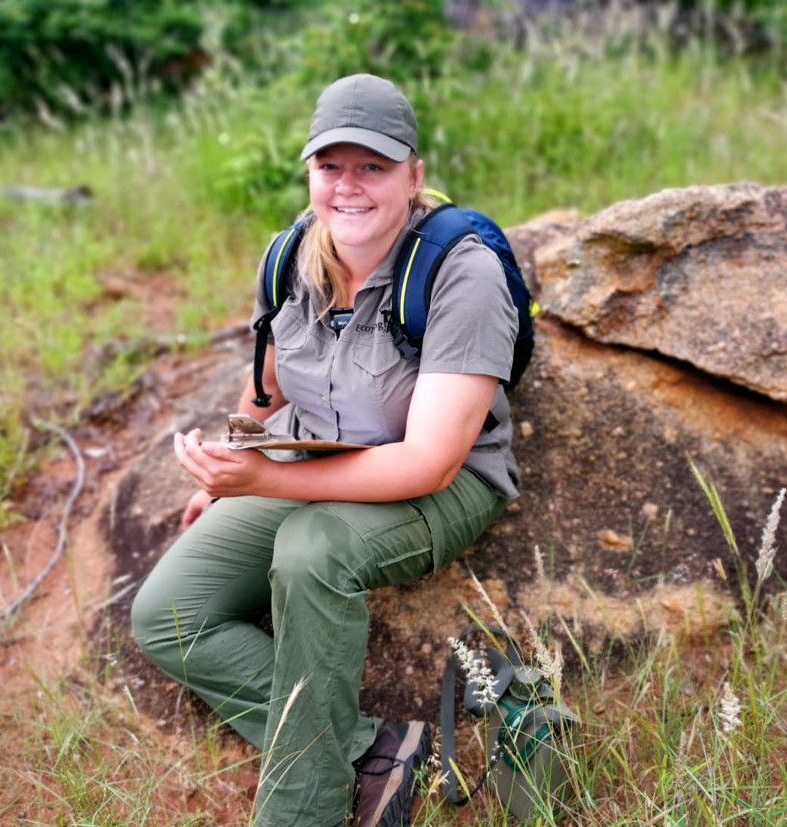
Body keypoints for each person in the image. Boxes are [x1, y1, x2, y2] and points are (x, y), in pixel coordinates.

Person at [131, 73, 519, 827]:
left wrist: (265, 482)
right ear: (309, 172)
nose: (348, 187)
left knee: (312, 550)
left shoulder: (459, 273)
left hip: (441, 484)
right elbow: (268, 390)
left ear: (413, 174)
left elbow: (429, 462)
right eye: (329, 166)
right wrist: (228, 469)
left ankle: (300, 811)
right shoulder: (289, 260)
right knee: (170, 613)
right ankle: (371, 747)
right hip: (316, 468)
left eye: (372, 167)